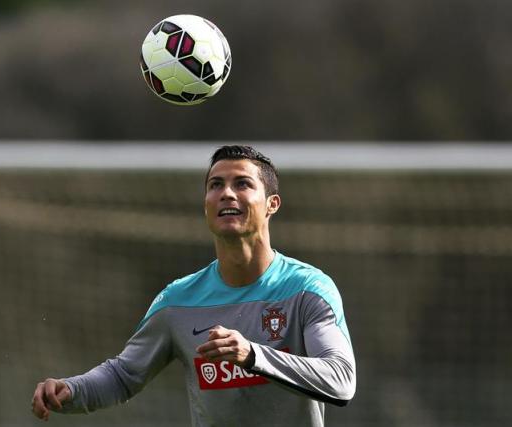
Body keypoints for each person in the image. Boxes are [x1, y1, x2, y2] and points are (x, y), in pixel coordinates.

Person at [31, 145, 356, 426]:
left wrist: (253, 355)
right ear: (206, 205)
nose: (227, 192)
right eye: (216, 185)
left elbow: (340, 379)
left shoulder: (307, 288)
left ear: (272, 204)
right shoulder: (177, 301)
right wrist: (72, 390)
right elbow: (123, 375)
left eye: (242, 183)